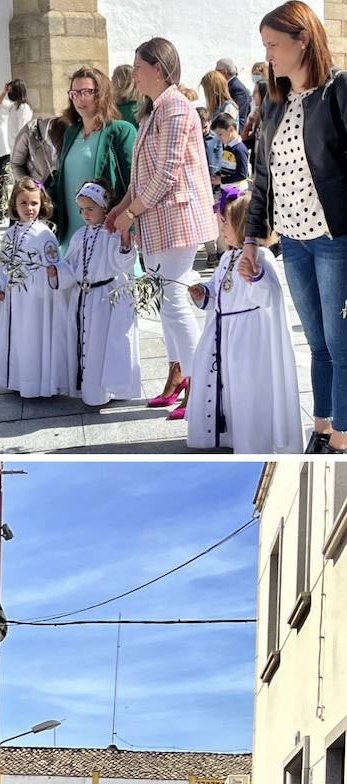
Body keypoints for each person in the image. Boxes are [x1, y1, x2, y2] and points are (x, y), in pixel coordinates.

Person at [241, 3, 347, 456]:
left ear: (303, 40)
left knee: (342, 345)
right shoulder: (274, 101)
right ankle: (322, 428)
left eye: (273, 44)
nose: (268, 55)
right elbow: (262, 178)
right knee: (318, 344)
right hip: (293, 239)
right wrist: (251, 239)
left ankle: (341, 439)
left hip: (334, 239)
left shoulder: (338, 91)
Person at [104, 38, 218, 416]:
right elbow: (142, 175)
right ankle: (179, 374)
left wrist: (131, 213)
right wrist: (122, 207)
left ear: (159, 68)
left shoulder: (177, 108)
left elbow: (167, 173)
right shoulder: (153, 110)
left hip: (176, 218)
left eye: (139, 67)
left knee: (174, 303)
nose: (134, 74)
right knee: (166, 303)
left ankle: (201, 386)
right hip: (157, 219)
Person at [188, 186, 302, 452]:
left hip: (248, 339)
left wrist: (255, 278)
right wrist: (203, 292)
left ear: (242, 226)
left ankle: (252, 442)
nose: (222, 229)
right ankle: (230, 436)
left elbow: (270, 296)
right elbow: (219, 290)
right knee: (228, 389)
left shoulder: (261, 257)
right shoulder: (227, 258)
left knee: (246, 389)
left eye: (225, 223)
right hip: (223, 334)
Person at [52, 179, 141, 406]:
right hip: (82, 299)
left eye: (90, 208)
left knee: (101, 347)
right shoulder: (79, 236)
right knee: (84, 344)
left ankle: (101, 392)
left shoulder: (111, 234)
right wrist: (56, 271)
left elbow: (123, 263)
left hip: (103, 300)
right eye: (82, 209)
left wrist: (124, 242)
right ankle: (85, 388)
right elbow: (70, 267)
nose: (85, 214)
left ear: (104, 207)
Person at [47, 67, 136, 253]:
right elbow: (60, 179)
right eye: (74, 93)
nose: (79, 98)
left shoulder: (121, 130)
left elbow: (133, 182)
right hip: (72, 235)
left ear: (101, 94)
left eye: (86, 92)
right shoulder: (70, 133)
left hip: (108, 233)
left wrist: (129, 224)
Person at [0, 178, 60, 398]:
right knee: (16, 337)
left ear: (42, 204)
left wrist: (48, 288)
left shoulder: (44, 234)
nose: (29, 208)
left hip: (36, 299)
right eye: (24, 203)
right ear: (14, 205)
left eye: (34, 203)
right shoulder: (10, 234)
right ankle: (17, 379)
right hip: (14, 297)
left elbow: (53, 267)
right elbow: (2, 263)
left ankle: (35, 382)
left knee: (32, 337)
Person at [210, 114, 250, 187]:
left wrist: (222, 180)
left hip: (237, 190)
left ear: (231, 129)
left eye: (220, 134)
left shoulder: (239, 149)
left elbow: (242, 174)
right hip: (226, 188)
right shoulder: (227, 146)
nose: (218, 138)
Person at [217, 58, 254, 131]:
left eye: (217, 72)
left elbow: (235, 112)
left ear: (224, 72)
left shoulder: (237, 89)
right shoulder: (230, 85)